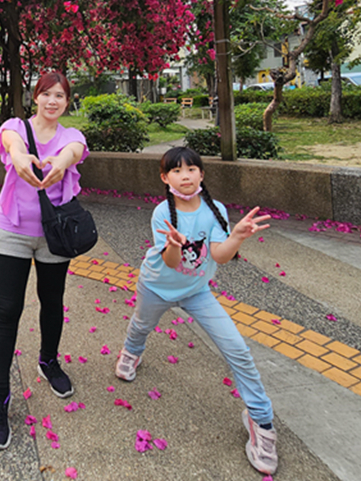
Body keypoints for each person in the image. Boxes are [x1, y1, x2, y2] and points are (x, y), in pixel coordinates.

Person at [114, 146, 278, 475]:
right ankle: (132, 352)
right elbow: (171, 262)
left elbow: (219, 255)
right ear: (165, 177)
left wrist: (237, 237)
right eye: (176, 170)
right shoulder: (162, 212)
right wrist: (174, 246)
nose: (185, 175)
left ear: (202, 174)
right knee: (141, 326)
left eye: (191, 169)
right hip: (157, 286)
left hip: (197, 291)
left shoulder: (214, 209)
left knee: (238, 349)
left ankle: (261, 422)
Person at [0, 71, 88, 450]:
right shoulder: (16, 126)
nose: (52, 101)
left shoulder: (70, 135)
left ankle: (48, 361)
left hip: (54, 235)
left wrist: (61, 162)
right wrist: (17, 156)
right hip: (12, 231)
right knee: (7, 310)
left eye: (59, 95)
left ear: (66, 101)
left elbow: (73, 151)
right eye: (46, 94)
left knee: (52, 301)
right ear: (35, 97)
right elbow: (10, 141)